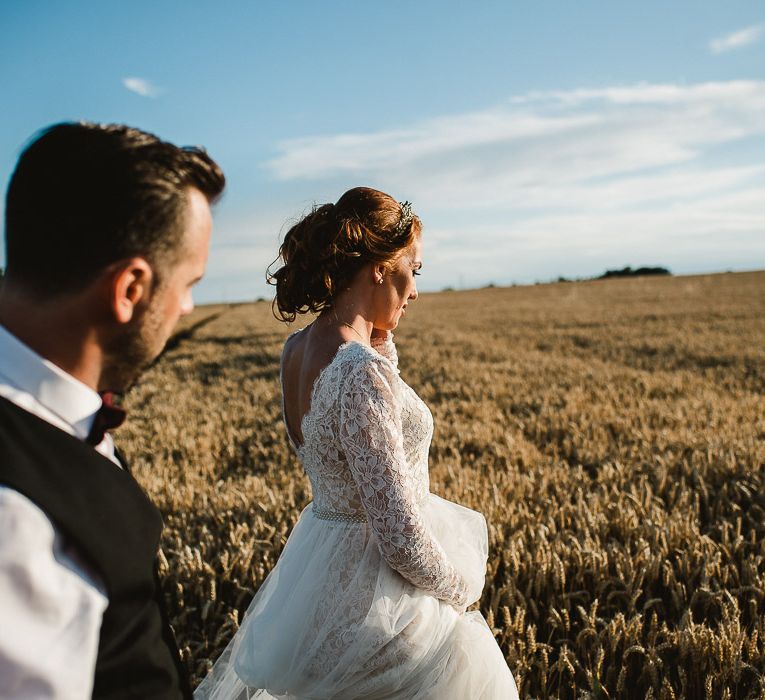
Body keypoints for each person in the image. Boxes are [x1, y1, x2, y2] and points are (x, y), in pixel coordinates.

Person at [196, 187, 518, 699]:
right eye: (414, 269)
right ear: (379, 267)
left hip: (319, 577)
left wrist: (379, 340)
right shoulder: (359, 371)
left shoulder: (298, 348)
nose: (414, 290)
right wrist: (460, 596)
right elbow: (398, 533)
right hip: (377, 600)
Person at [0, 121, 225, 698]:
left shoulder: (49, 416)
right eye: (188, 283)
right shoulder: (14, 522)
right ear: (130, 289)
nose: (189, 305)